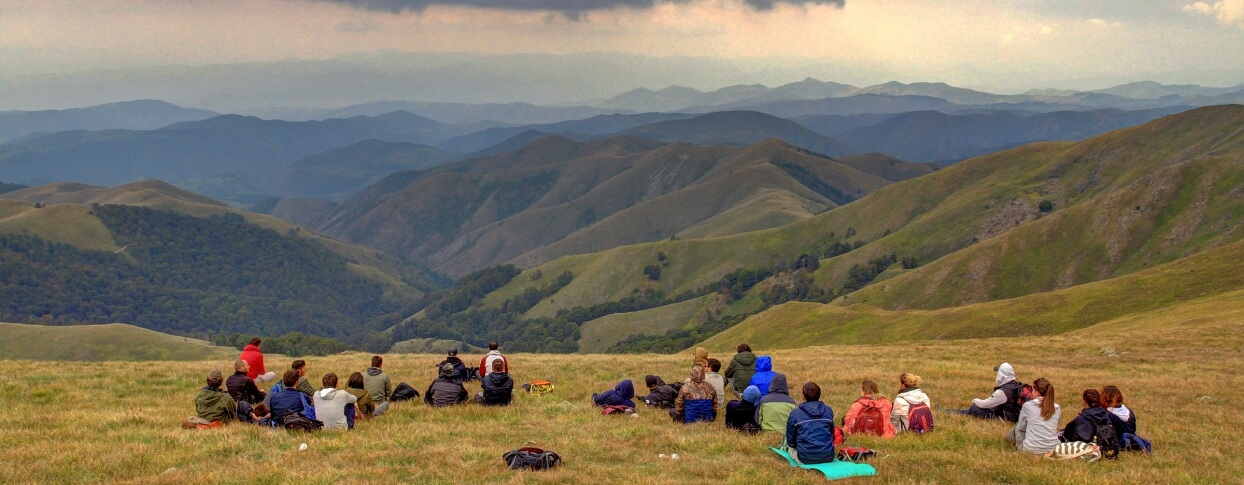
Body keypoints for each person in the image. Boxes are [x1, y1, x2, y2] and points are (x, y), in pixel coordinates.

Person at [784, 382, 836, 465]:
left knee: (789, 446)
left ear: (803, 397)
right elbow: (831, 434)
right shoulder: (828, 410)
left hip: (804, 459)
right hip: (828, 456)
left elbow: (791, 441)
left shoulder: (795, 413)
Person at [1008, 378, 1060, 454]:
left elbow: (1021, 427)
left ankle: (1014, 444)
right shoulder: (1057, 408)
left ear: (1037, 392)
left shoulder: (1028, 406)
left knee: (1017, 427)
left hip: (1031, 449)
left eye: (1033, 390)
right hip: (1053, 449)